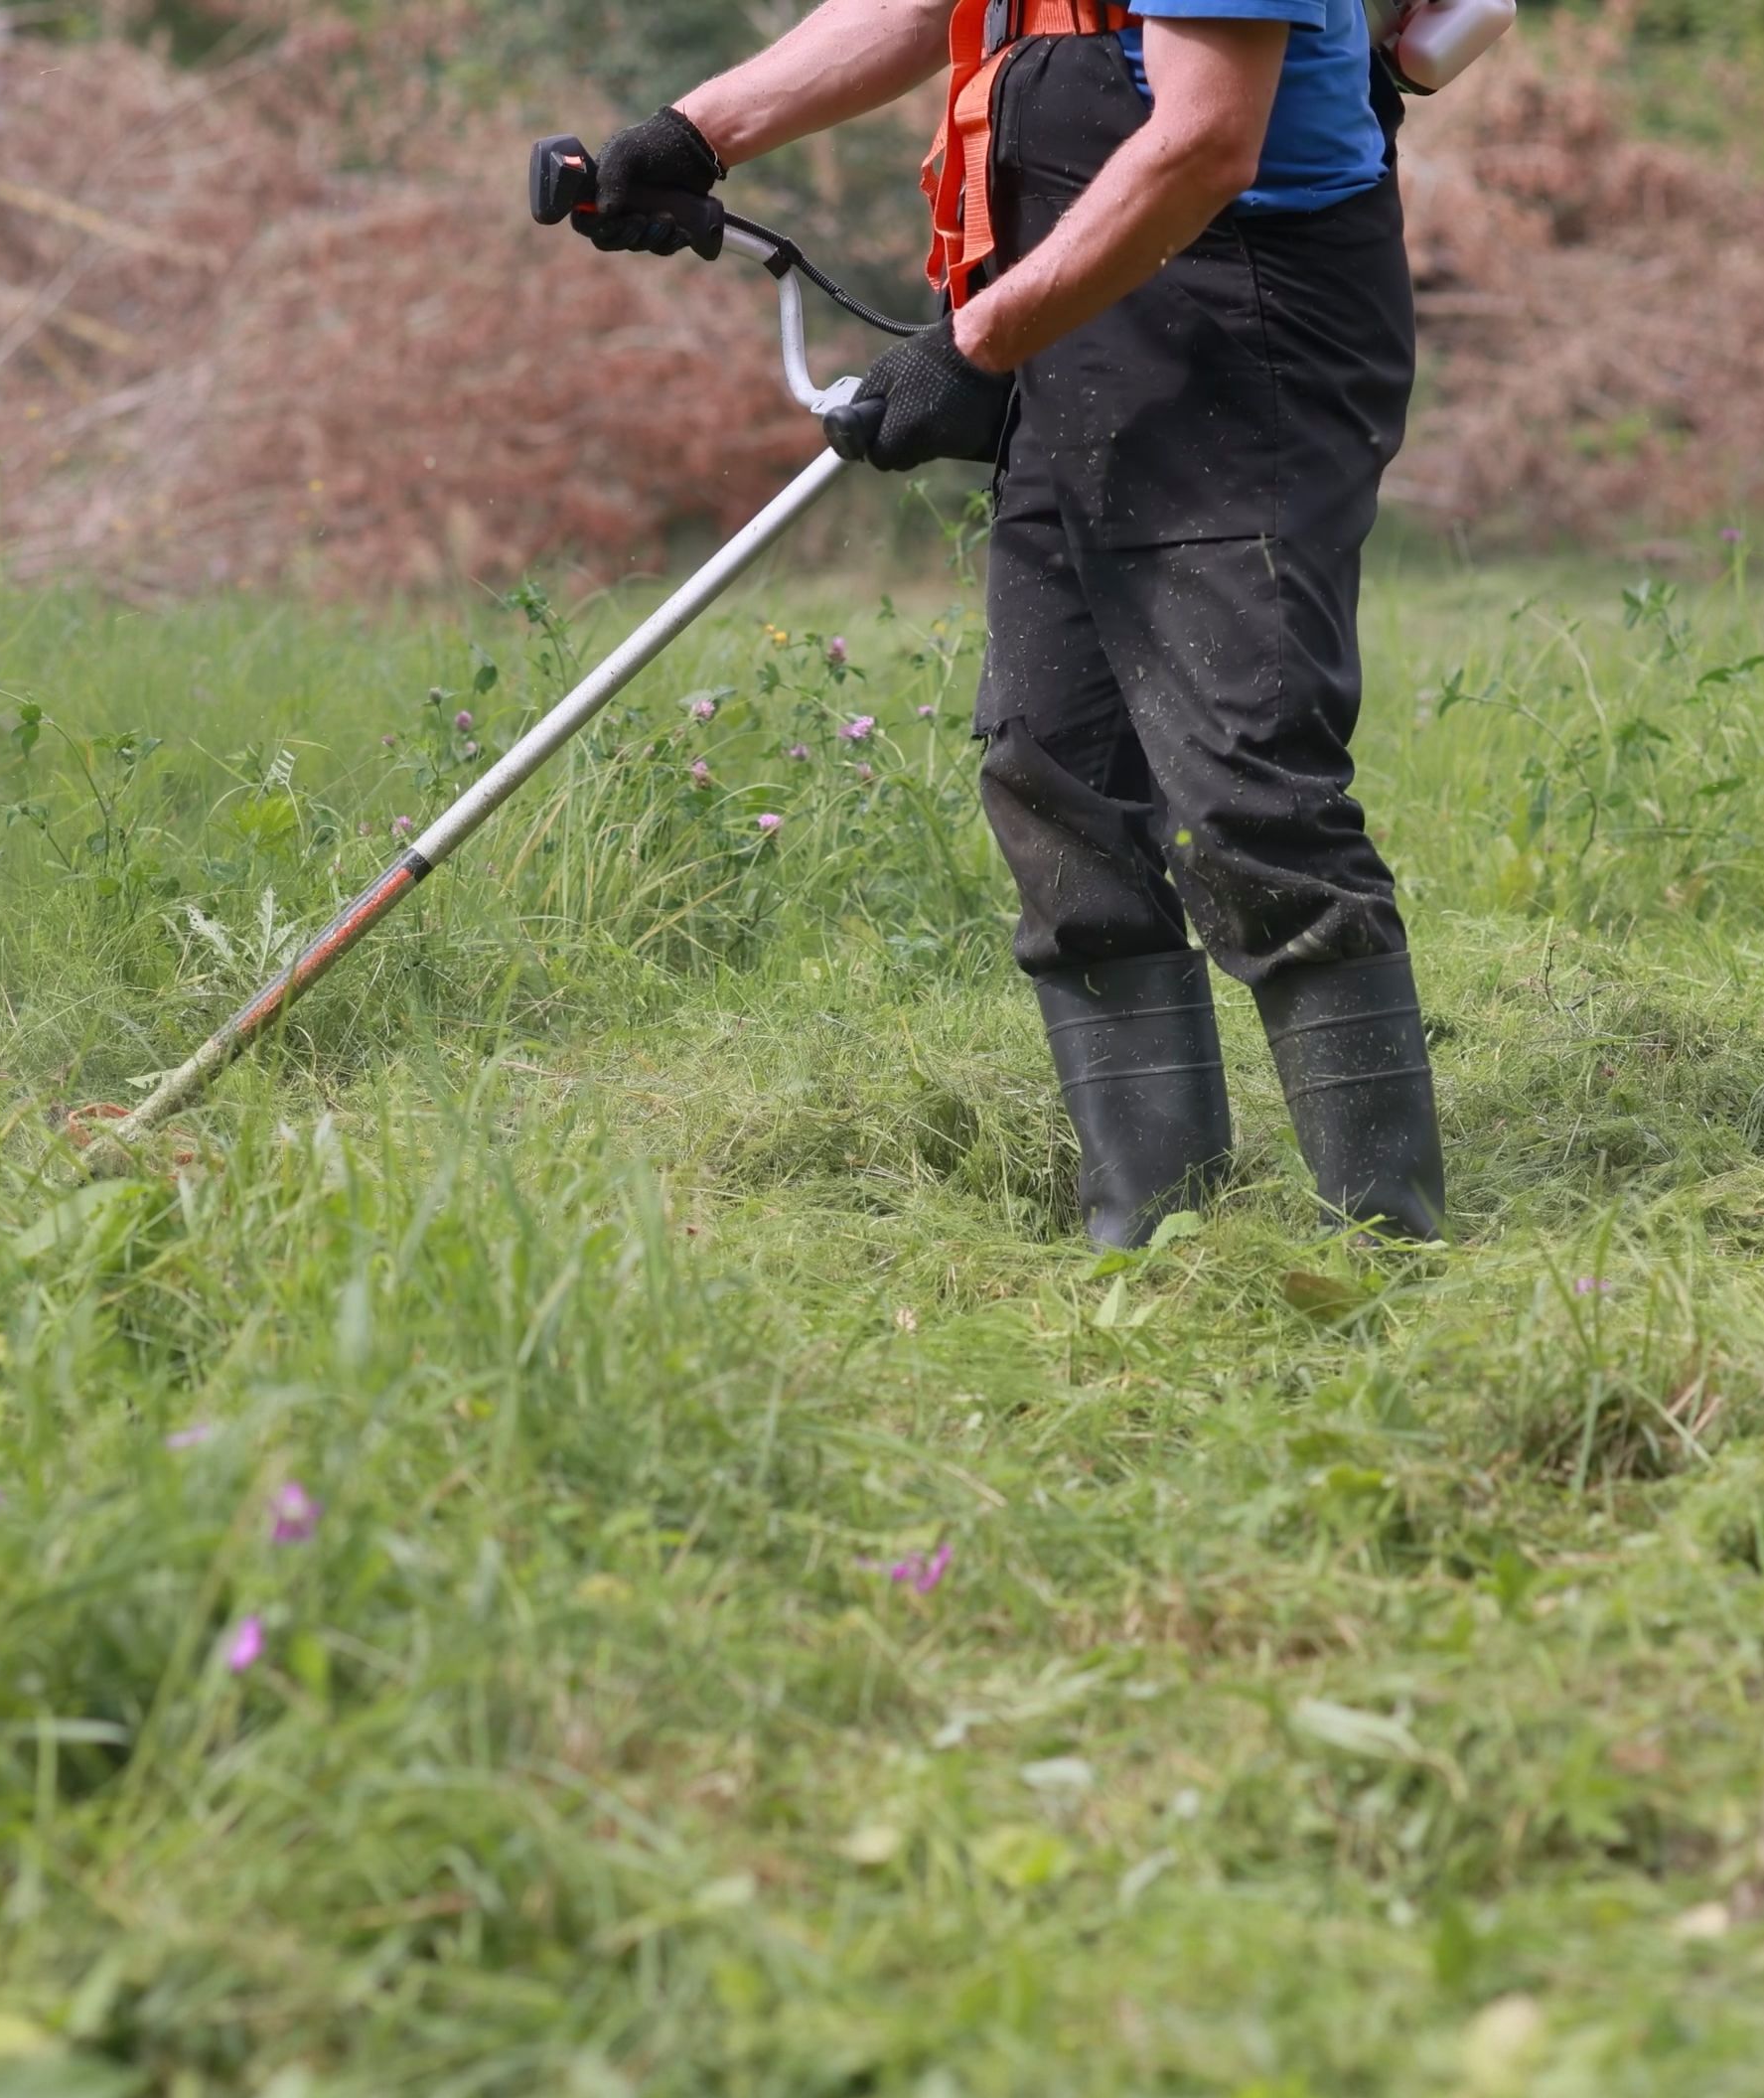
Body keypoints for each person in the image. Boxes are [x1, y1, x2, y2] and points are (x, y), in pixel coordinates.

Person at [565, 0, 1449, 1246]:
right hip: (1084, 319)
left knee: (1253, 785)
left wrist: (973, 348)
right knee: (1053, 769)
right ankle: (1155, 1238)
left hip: (1242, 323)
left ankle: (1385, 1245)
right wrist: (697, 132)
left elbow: (1202, 144)